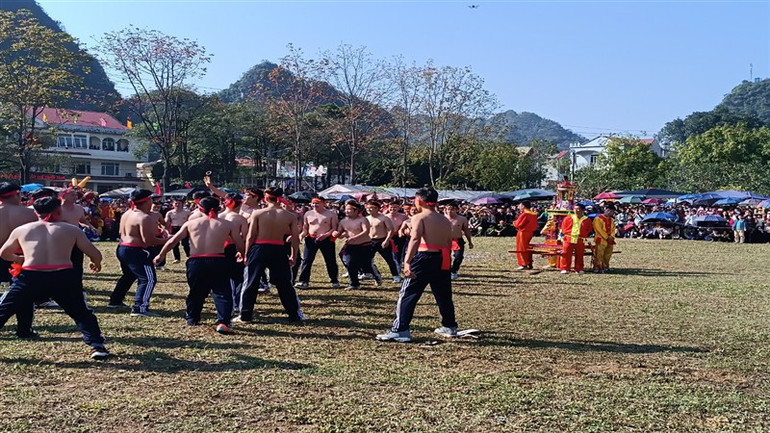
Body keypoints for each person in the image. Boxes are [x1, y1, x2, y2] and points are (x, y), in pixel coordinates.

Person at [0, 197, 109, 359]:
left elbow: (4, 253)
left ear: (35, 212)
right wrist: (96, 263)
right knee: (81, 313)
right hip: (62, 275)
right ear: (59, 210)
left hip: (30, 276)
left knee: (4, 310)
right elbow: (94, 253)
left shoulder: (22, 230)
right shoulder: (71, 229)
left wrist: (19, 260)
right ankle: (97, 345)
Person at [376, 187, 459, 343]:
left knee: (408, 293)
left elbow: (415, 240)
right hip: (443, 257)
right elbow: (449, 241)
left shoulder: (419, 217)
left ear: (419, 200)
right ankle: (449, 326)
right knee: (443, 294)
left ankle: (400, 330)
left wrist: (407, 262)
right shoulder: (444, 219)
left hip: (423, 257)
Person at [154, 197, 245, 333]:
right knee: (222, 292)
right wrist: (242, 254)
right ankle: (223, 322)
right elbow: (239, 243)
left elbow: (173, 241)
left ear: (200, 209)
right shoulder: (227, 224)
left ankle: (192, 318)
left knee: (196, 291)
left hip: (196, 261)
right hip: (218, 260)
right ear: (218, 208)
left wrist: (161, 255)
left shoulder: (190, 224)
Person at [237, 187, 304, 323]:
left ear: (266, 198)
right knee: (285, 284)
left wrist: (246, 253)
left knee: (251, 282)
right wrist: (294, 255)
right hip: (278, 248)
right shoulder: (289, 216)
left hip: (259, 248)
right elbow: (295, 239)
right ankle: (294, 315)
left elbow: (251, 236)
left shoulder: (258, 213)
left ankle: (245, 315)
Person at [108, 189, 168, 316]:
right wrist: (168, 240)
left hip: (122, 247)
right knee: (148, 279)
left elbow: (120, 232)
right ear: (147, 201)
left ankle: (115, 300)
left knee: (129, 275)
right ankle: (139, 308)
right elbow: (148, 241)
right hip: (135, 250)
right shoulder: (144, 217)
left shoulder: (127, 213)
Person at [295, 198, 340, 289]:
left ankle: (334, 280)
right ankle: (304, 281)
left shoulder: (331, 214)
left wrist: (326, 235)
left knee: (330, 260)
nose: (315, 205)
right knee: (307, 260)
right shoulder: (308, 214)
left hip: (326, 239)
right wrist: (301, 235)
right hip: (311, 239)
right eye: (313, 203)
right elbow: (305, 228)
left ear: (323, 203)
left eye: (317, 203)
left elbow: (334, 228)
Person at [219, 193, 249, 311]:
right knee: (238, 277)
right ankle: (236, 303)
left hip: (219, 248)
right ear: (240, 203)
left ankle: (225, 301)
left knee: (223, 277)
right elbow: (246, 237)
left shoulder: (219, 216)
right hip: (234, 247)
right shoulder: (240, 218)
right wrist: (244, 252)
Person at [334, 200, 373, 290]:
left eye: (349, 209)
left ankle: (373, 274)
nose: (347, 211)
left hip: (364, 245)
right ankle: (354, 283)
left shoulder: (363, 219)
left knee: (365, 264)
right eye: (346, 209)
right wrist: (336, 233)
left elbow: (366, 231)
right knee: (350, 263)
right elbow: (340, 233)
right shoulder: (343, 221)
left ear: (356, 210)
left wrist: (354, 237)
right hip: (351, 245)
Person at [366, 199, 400, 284]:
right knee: (367, 260)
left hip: (382, 240)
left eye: (371, 208)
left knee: (389, 259)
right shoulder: (366, 218)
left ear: (377, 208)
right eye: (367, 208)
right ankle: (376, 275)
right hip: (370, 241)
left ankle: (396, 276)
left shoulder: (384, 218)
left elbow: (390, 230)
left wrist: (386, 240)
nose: (369, 209)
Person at [443, 201, 474, 280]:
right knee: (445, 257)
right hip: (444, 241)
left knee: (458, 256)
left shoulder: (462, 219)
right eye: (447, 209)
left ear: (456, 210)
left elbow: (466, 230)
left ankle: (454, 270)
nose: (449, 211)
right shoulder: (442, 219)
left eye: (452, 209)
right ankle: (446, 271)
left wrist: (470, 241)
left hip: (457, 240)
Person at [560, 203, 593, 274]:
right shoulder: (568, 218)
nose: (576, 210)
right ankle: (565, 268)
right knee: (566, 254)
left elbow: (589, 229)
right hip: (569, 238)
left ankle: (579, 268)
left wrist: (585, 234)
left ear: (583, 210)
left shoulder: (587, 220)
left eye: (578, 209)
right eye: (575, 209)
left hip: (580, 239)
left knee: (580, 254)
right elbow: (563, 227)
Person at [384, 200, 409, 276]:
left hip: (399, 237)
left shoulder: (403, 217)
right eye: (391, 207)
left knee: (398, 254)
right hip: (388, 237)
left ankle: (397, 269)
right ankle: (394, 268)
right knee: (389, 255)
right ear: (388, 208)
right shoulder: (385, 217)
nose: (393, 209)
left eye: (395, 207)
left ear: (399, 208)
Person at [513, 200, 539, 270]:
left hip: (523, 232)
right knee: (526, 247)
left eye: (520, 205)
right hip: (530, 232)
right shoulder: (533, 214)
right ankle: (528, 262)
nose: (519, 207)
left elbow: (518, 224)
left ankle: (523, 263)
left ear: (523, 206)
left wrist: (514, 223)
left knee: (521, 248)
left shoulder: (525, 214)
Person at [165, 198, 191, 263]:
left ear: (182, 204)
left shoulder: (187, 212)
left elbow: (190, 221)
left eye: (179, 203)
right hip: (174, 228)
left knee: (185, 243)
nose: (177, 205)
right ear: (173, 204)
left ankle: (189, 256)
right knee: (174, 244)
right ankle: (177, 258)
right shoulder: (170, 213)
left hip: (183, 228)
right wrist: (167, 231)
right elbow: (167, 222)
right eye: (176, 203)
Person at [593, 204, 617, 273]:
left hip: (610, 240)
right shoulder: (598, 219)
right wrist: (606, 237)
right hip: (601, 239)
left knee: (608, 254)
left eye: (612, 211)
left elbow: (613, 229)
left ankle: (606, 266)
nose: (609, 212)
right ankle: (598, 267)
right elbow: (598, 229)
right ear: (605, 209)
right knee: (599, 254)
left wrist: (612, 236)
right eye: (608, 210)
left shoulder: (611, 220)